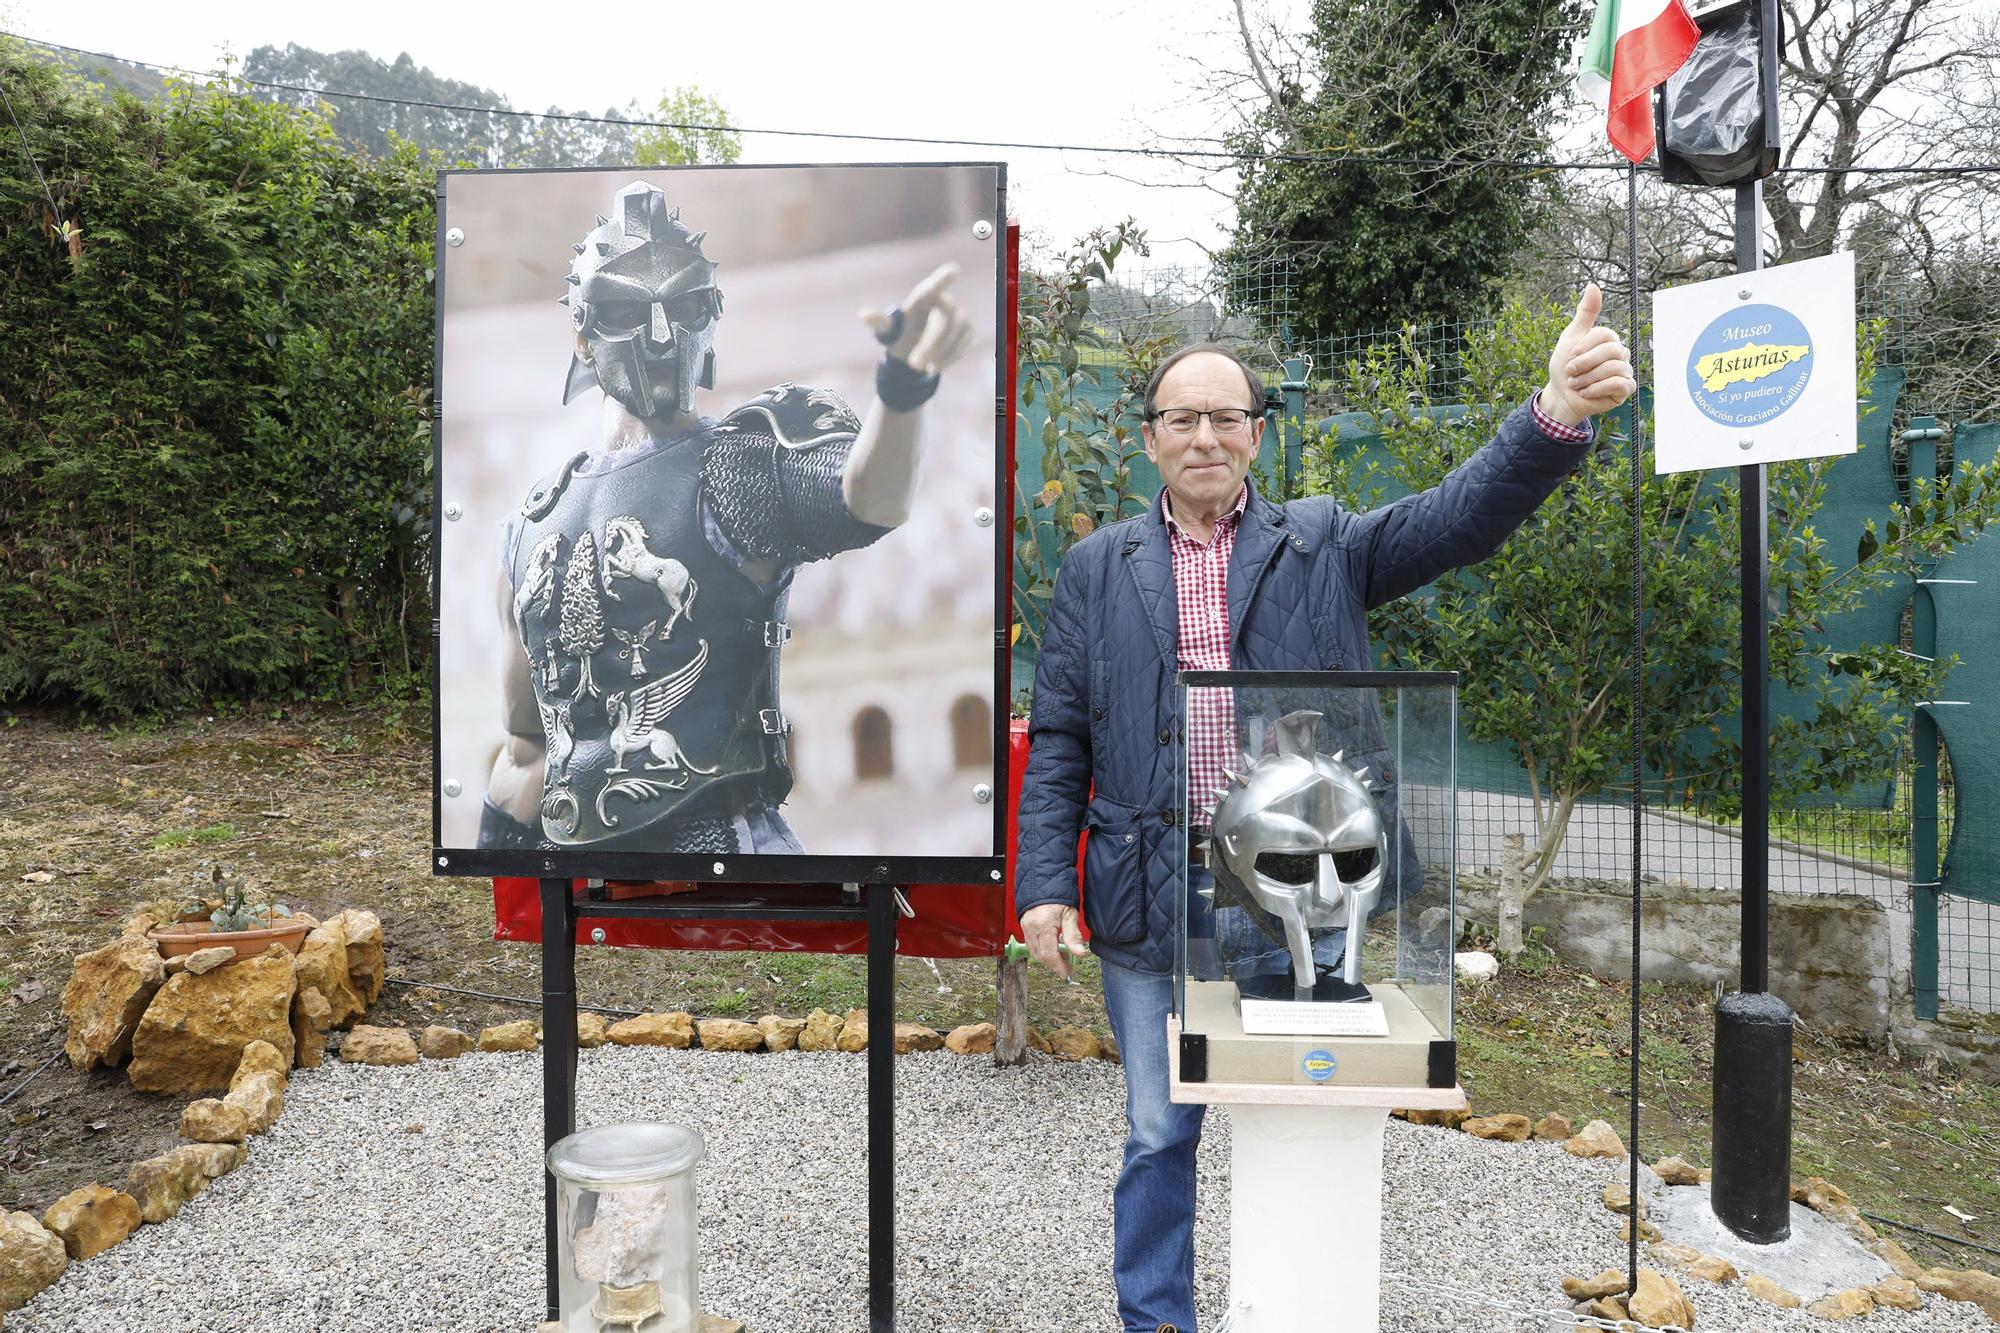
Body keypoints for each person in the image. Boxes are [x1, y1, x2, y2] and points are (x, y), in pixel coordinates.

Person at [1014, 286, 1635, 1333]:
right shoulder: (1093, 567)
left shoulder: (1322, 545)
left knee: (1290, 1122)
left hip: (1290, 897)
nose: (1203, 436)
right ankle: (1155, 1321)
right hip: (1143, 900)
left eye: (1225, 417)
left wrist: (1552, 414)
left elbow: (1454, 519)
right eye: (1181, 418)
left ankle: (1284, 1306)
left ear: (1257, 433)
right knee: (1157, 1131)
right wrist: (1040, 889)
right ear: (1150, 439)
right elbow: (1061, 739)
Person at [478, 179, 973, 854]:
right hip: (576, 872)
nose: (659, 335)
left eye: (682, 305)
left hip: (725, 854)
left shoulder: (734, 466)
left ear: (710, 318)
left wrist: (903, 390)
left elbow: (868, 498)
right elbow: (527, 751)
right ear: (583, 336)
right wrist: (496, 877)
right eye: (628, 309)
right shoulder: (531, 526)